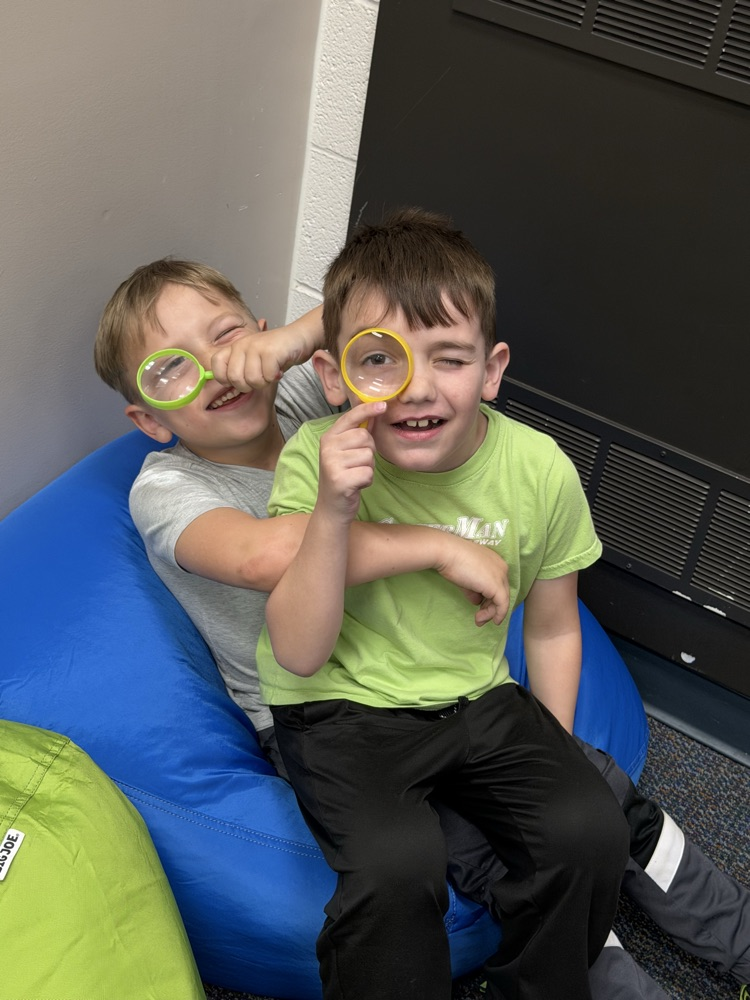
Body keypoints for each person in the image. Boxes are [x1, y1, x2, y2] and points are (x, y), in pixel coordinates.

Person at [95, 254, 749, 1000]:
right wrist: (437, 546)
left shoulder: (310, 390)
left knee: (600, 802)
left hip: (437, 673)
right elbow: (270, 554)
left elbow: (389, 293)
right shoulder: (171, 487)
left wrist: (273, 352)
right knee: (471, 856)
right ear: (147, 419)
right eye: (174, 370)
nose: (217, 371)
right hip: (319, 709)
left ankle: (736, 935)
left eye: (226, 340)